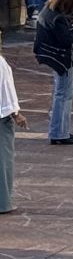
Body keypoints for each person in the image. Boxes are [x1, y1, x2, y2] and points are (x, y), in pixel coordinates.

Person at [35, 0, 73, 144]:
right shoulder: (58, 19)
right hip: (62, 59)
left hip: (53, 57)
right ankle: (59, 133)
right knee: (64, 96)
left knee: (60, 94)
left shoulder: (46, 12)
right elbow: (66, 40)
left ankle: (60, 130)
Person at [0, 44, 15, 217]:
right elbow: (6, 89)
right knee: (4, 159)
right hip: (2, 115)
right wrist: (15, 112)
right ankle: (3, 202)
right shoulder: (1, 63)